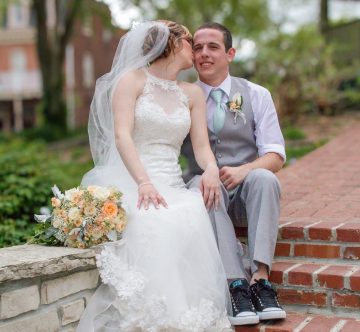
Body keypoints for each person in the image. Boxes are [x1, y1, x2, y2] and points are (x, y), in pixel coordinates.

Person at [76, 20, 232, 331]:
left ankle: (184, 318)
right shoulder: (131, 82)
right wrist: (143, 183)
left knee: (191, 211)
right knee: (154, 220)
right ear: (172, 44)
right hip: (134, 181)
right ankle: (154, 318)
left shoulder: (191, 94)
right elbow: (122, 136)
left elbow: (201, 148)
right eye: (191, 42)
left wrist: (212, 169)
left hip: (172, 184)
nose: (197, 51)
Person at [182, 22, 287, 326]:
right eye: (197, 47)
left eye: (212, 47)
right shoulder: (182, 97)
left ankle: (261, 281)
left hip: (245, 193)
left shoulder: (256, 94)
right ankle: (235, 286)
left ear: (230, 53)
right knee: (204, 186)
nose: (204, 53)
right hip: (203, 194)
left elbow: (276, 154)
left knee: (265, 177)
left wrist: (246, 169)